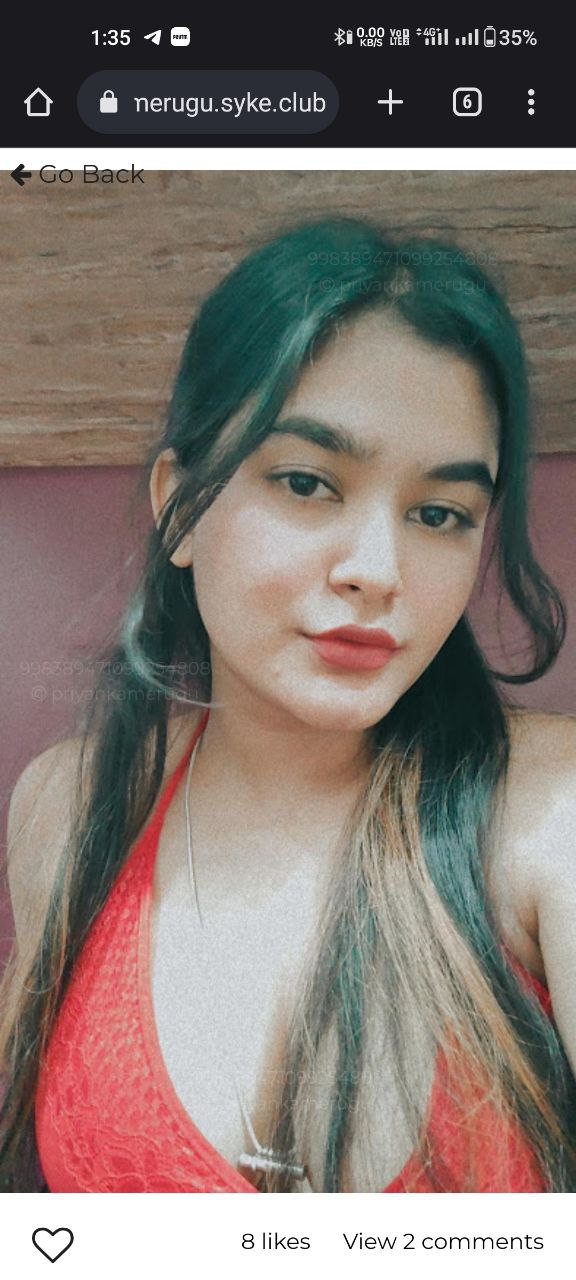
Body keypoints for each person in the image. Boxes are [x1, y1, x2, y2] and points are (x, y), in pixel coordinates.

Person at [2, 215, 576, 1193]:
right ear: (180, 507)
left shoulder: (546, 816)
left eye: (439, 513)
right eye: (308, 482)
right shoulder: (70, 805)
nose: (377, 570)